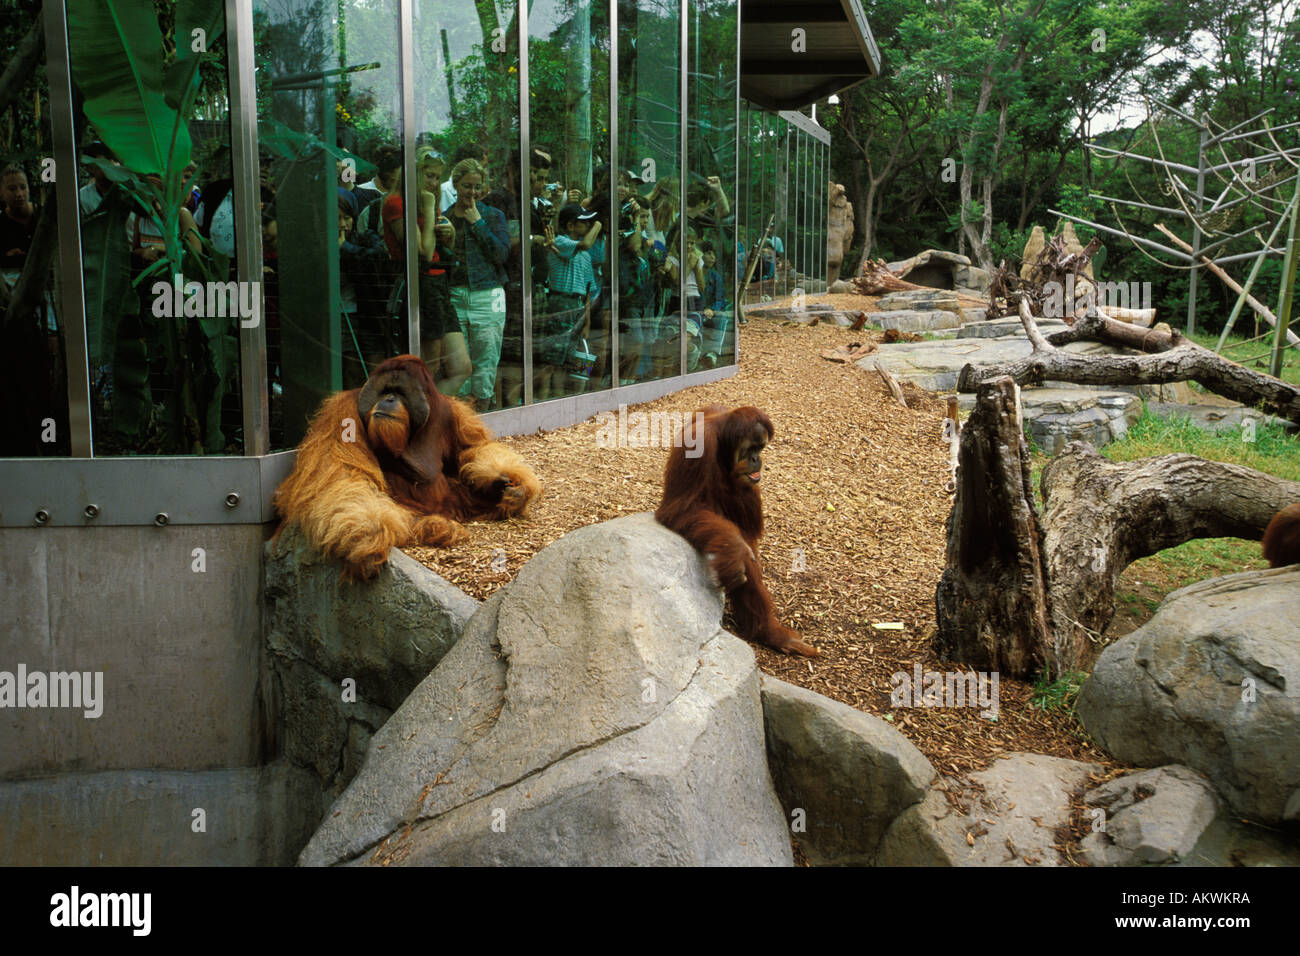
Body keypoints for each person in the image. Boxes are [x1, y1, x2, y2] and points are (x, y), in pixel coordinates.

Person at [381, 160, 469, 395]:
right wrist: (430, 208)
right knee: (427, 369)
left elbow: (439, 249)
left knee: (461, 367)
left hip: (440, 283)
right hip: (421, 283)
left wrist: (448, 234)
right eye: (429, 176)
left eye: (437, 177)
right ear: (414, 175)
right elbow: (424, 253)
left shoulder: (425, 202)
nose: (433, 183)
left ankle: (429, 413)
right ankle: (419, 420)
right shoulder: (396, 202)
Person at [444, 157, 509, 412]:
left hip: (487, 293)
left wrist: (477, 223)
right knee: (458, 363)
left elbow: (501, 254)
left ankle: (482, 412)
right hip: (456, 294)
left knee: (486, 359)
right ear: (456, 185)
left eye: (476, 186)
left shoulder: (493, 215)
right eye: (466, 186)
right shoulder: (445, 217)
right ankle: (460, 416)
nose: (472, 192)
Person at [536, 202, 599, 401]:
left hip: (578, 305)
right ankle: (546, 401)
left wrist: (587, 320)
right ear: (570, 225)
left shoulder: (586, 257)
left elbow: (588, 290)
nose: (588, 226)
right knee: (552, 359)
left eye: (590, 223)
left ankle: (570, 398)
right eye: (583, 222)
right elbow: (586, 243)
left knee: (577, 358)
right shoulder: (560, 242)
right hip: (560, 301)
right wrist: (599, 225)